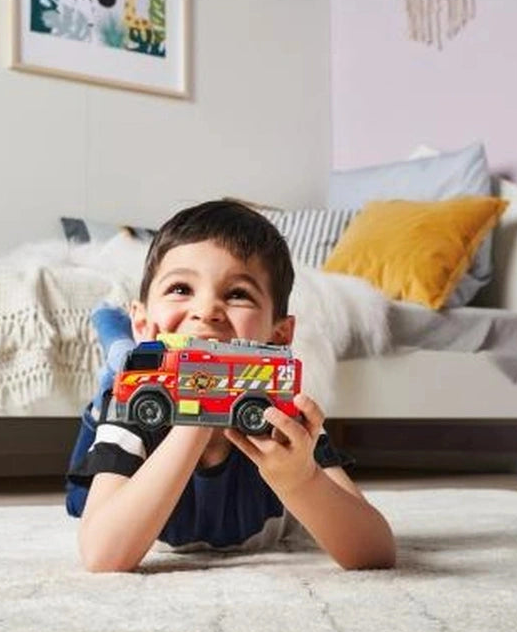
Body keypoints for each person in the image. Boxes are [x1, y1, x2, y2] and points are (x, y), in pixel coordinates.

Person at [65, 199, 396, 572]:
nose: (206, 311)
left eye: (237, 293)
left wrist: (302, 479)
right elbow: (103, 557)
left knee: (129, 368)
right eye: (180, 289)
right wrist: (196, 415)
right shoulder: (128, 412)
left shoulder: (286, 423)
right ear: (148, 321)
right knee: (118, 378)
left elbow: (377, 552)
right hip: (144, 381)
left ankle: (123, 343)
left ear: (279, 335)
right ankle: (121, 339)